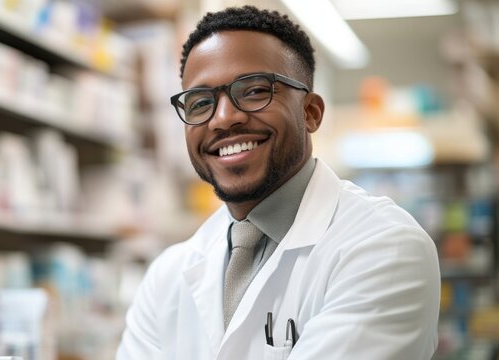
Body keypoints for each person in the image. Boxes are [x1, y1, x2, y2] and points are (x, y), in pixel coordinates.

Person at [117, 5, 440, 360]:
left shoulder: (384, 249)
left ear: (311, 112)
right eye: (200, 102)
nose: (223, 119)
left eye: (254, 90)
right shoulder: (167, 276)